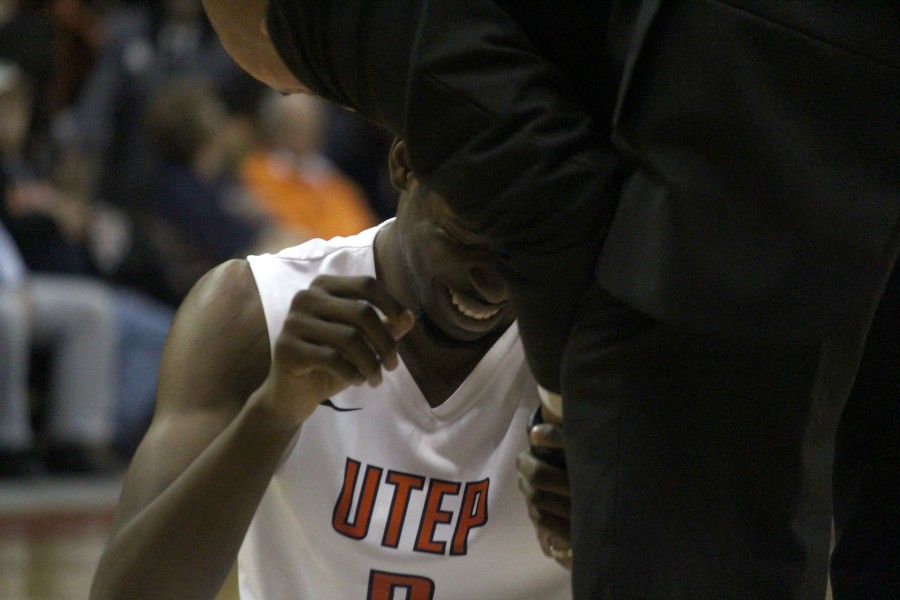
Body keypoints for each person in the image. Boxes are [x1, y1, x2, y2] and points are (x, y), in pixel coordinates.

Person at [199, 2, 900, 599]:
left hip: (780, 69)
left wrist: (578, 425)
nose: (321, 93)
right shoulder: (258, 303)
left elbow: (543, 199)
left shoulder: (349, 18)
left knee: (700, 536)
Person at [90, 137, 573, 599]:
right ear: (404, 163)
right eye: (466, 235)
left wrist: (611, 529)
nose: (494, 286)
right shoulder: (252, 312)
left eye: (523, 250)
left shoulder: (599, 344)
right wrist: (272, 415)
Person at [240, 91, 378, 239]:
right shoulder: (256, 173)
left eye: (309, 123)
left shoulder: (334, 183)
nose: (303, 132)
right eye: (293, 124)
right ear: (275, 126)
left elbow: (360, 229)